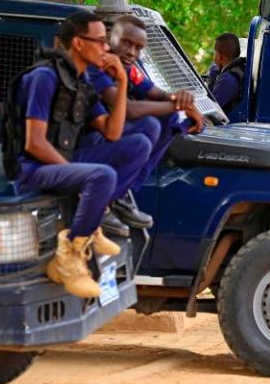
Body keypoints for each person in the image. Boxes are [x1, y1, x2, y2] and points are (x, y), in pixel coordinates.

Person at [13, 11, 151, 298]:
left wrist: (123, 81)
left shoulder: (83, 84)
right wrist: (75, 176)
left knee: (138, 144)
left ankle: (95, 219)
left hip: (64, 163)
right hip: (32, 168)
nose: (106, 48)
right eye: (100, 41)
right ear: (78, 43)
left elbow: (112, 133)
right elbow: (34, 143)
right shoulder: (45, 77)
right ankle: (69, 257)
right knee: (102, 175)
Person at [86, 15, 203, 233]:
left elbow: (155, 92)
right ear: (111, 38)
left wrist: (184, 102)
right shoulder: (97, 66)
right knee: (149, 127)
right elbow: (128, 108)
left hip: (110, 138)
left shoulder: (129, 66)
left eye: (138, 48)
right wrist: (178, 106)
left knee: (167, 120)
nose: (132, 52)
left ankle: (121, 193)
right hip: (88, 142)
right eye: (126, 43)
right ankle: (102, 204)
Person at [206, 32, 246, 115]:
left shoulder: (228, 80)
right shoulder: (236, 69)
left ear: (220, 56)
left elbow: (209, 109)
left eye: (214, 53)